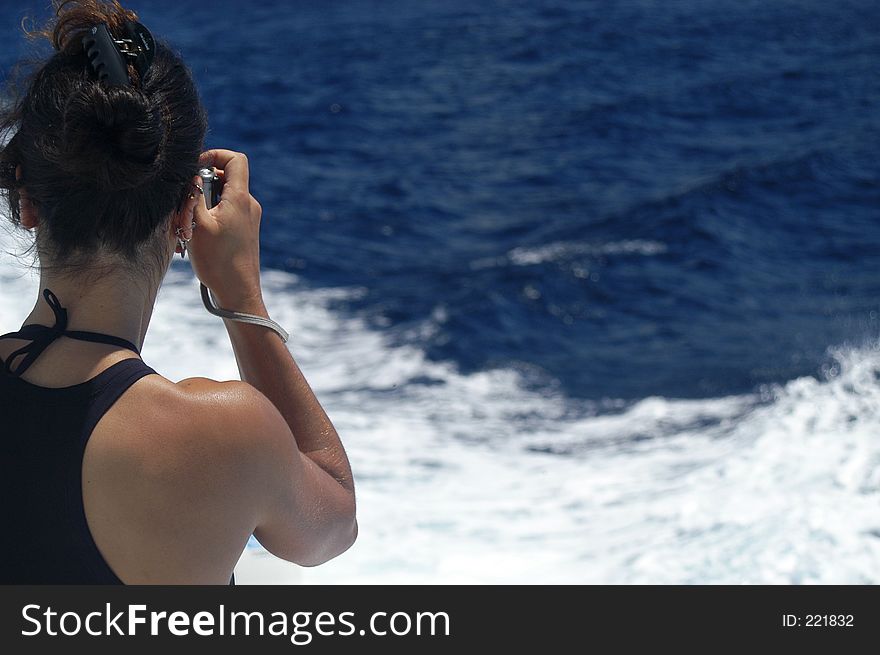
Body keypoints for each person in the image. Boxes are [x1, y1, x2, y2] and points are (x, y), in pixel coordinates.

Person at [0, 0, 356, 584]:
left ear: (27, 203)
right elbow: (332, 525)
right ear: (186, 213)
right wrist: (241, 297)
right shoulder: (223, 434)